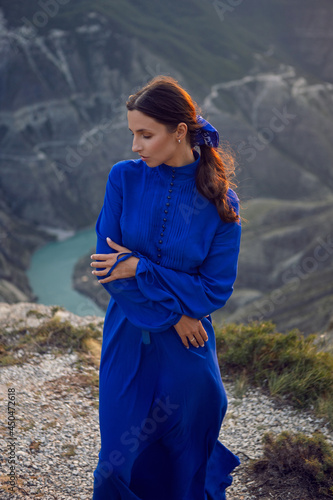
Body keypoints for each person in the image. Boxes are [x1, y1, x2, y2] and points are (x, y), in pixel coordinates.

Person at [90, 76, 241, 500]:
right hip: (130, 336)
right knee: (116, 464)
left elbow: (213, 292)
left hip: (189, 349)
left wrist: (139, 267)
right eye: (132, 134)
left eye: (145, 134)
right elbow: (107, 269)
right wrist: (175, 313)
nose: (135, 146)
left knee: (186, 448)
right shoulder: (123, 179)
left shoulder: (221, 203)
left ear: (179, 132)